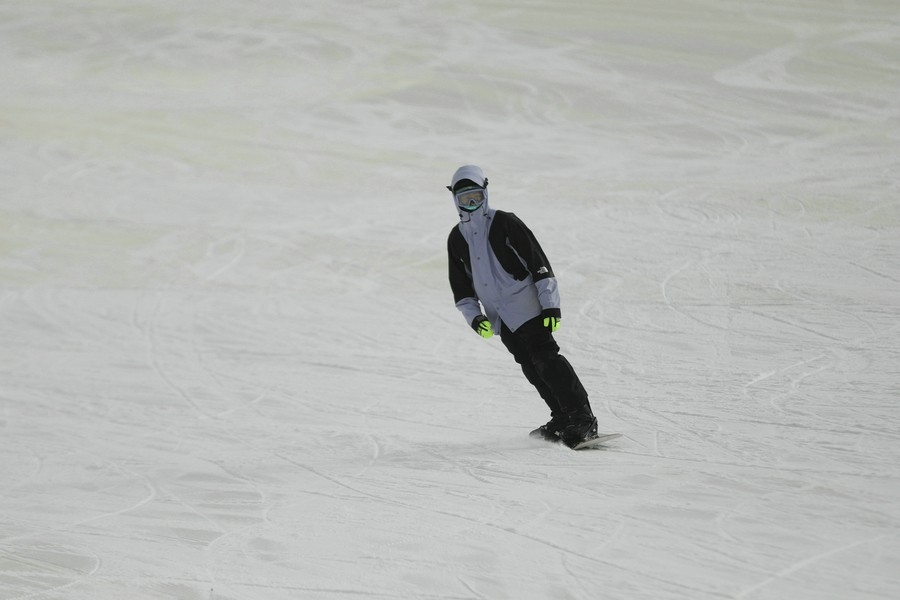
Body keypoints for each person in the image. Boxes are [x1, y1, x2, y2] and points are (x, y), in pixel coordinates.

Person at [445, 164, 598, 448]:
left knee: (547, 360)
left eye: (476, 196)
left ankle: (582, 417)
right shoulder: (456, 238)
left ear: (485, 193)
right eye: (464, 199)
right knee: (530, 367)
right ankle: (562, 417)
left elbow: (539, 263)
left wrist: (550, 306)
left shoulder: (505, 222)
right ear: (454, 199)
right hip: (500, 318)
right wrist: (475, 318)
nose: (471, 203)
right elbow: (461, 289)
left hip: (528, 306)